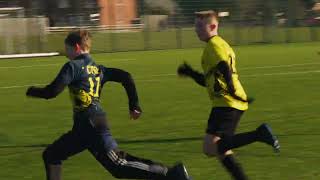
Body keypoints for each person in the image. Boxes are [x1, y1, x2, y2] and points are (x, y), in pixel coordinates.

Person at [26, 30, 190, 180]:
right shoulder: (98, 69)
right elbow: (126, 76)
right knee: (51, 155)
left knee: (119, 165)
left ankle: (171, 173)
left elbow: (52, 92)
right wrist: (134, 105)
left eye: (67, 49)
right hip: (85, 127)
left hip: (91, 126)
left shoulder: (73, 66)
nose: (66, 53)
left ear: (76, 47)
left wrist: (32, 91)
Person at [177, 10, 280, 180]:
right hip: (229, 102)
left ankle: (260, 134)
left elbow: (224, 66)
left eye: (200, 26)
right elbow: (208, 80)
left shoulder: (214, 45)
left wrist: (231, 91)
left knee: (210, 148)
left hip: (226, 102)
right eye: (195, 26)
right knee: (222, 150)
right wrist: (190, 72)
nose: (196, 29)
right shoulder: (219, 44)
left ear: (213, 26)